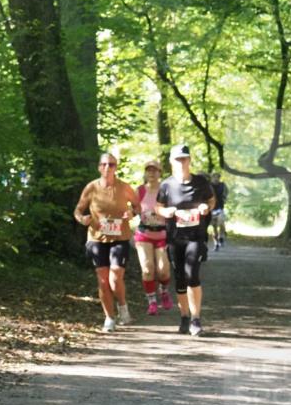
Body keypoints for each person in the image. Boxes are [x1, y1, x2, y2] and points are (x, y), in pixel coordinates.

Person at [73, 152, 142, 332]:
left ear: (116, 167)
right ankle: (109, 318)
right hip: (97, 238)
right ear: (99, 167)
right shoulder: (91, 188)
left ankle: (123, 306)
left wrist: (132, 214)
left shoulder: (124, 187)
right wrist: (82, 219)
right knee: (103, 280)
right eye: (104, 164)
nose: (107, 168)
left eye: (111, 165)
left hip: (120, 238)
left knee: (115, 277)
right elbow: (78, 210)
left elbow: (137, 206)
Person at [156, 144, 216, 337]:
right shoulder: (167, 185)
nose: (181, 162)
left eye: (184, 158)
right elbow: (158, 206)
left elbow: (212, 200)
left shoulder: (201, 182)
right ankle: (184, 316)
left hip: (195, 237)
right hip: (175, 238)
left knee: (192, 275)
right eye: (177, 159)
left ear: (189, 160)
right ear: (171, 162)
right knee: (180, 278)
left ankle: (196, 319)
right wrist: (165, 211)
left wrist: (206, 208)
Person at [134, 160, 174, 316]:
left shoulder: (166, 190)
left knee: (163, 271)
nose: (151, 173)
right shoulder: (139, 191)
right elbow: (133, 209)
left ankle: (164, 291)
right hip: (144, 234)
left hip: (163, 234)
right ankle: (151, 302)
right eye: (148, 170)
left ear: (160, 173)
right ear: (145, 173)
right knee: (147, 268)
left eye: (155, 170)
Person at [209, 172, 229, 251]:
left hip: (220, 208)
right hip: (211, 209)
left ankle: (221, 237)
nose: (216, 179)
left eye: (217, 177)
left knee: (221, 222)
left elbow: (226, 193)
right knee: (214, 227)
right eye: (214, 177)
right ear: (212, 178)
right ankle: (216, 243)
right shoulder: (209, 186)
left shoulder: (222, 185)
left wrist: (224, 198)